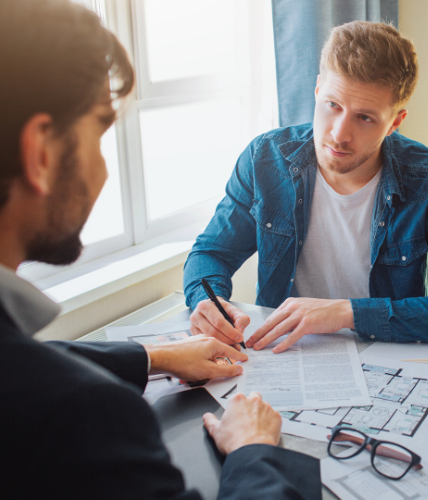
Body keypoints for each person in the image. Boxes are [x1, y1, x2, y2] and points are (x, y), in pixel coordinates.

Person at [0, 1, 320, 498]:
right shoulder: (89, 416)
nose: (104, 172)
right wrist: (255, 450)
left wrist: (156, 356)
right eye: (100, 134)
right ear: (41, 153)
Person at [184, 21, 428, 353]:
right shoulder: (265, 159)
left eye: (364, 118)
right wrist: (208, 300)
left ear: (395, 121)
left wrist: (346, 313)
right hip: (284, 354)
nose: (338, 134)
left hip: (386, 356)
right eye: (332, 105)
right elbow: (210, 253)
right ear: (318, 89)